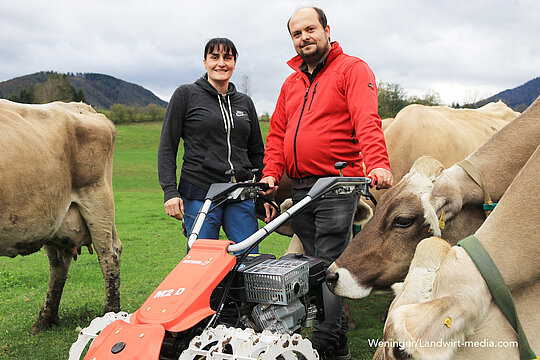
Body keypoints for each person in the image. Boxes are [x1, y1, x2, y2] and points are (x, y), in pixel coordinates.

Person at [260, 7, 393, 360]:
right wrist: (272, 173)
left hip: (336, 184)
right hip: (301, 187)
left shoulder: (352, 69)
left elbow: (367, 119)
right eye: (296, 33)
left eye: (310, 29)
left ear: (326, 30)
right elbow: (277, 134)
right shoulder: (291, 83)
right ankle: (336, 344)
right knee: (312, 264)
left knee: (328, 262)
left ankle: (325, 340)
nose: (304, 37)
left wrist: (378, 164)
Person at [158, 37, 269, 253]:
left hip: (240, 193)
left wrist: (266, 195)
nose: (221, 63)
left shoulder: (244, 102)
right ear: (205, 62)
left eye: (227, 58)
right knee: (202, 259)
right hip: (200, 193)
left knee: (249, 257)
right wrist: (170, 192)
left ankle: (240, 289)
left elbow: (257, 151)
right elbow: (167, 148)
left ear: (234, 63)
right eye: (214, 57)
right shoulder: (186, 95)